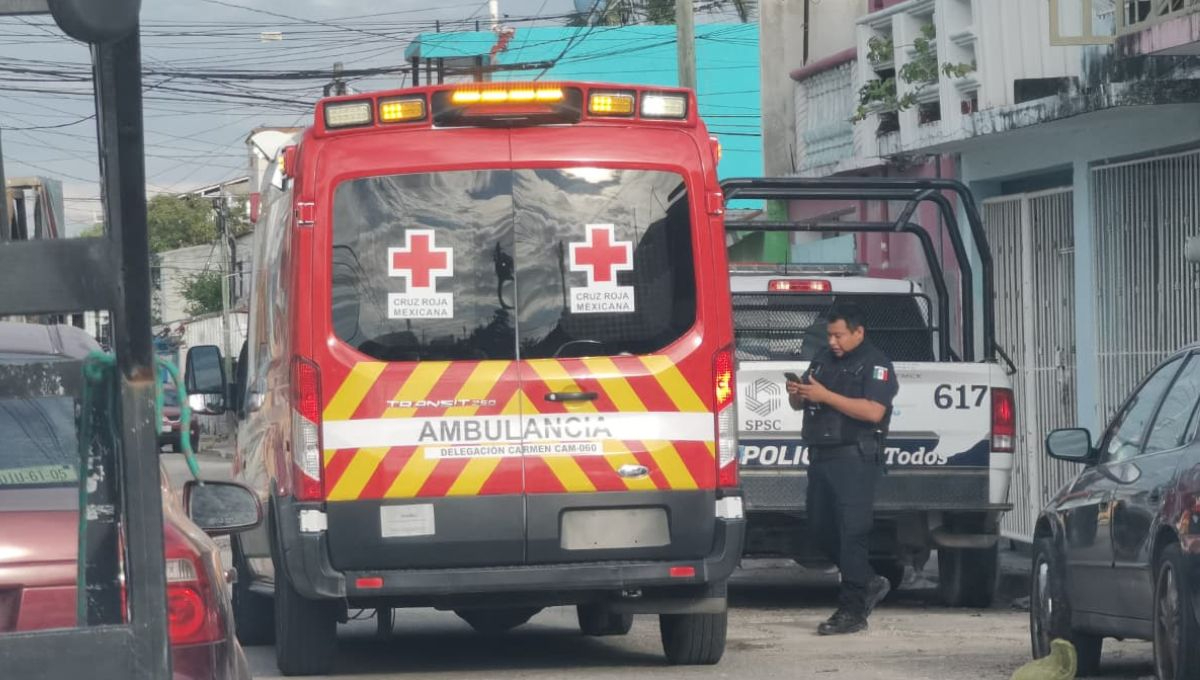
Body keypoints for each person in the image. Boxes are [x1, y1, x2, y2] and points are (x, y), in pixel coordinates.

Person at [786, 303, 899, 636]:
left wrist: (826, 395)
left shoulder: (876, 364)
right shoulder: (821, 358)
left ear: (858, 332)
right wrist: (799, 394)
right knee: (821, 530)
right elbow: (804, 401)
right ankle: (867, 580)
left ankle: (851, 610)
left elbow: (873, 412)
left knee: (853, 533)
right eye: (829, 334)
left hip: (855, 457)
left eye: (839, 335)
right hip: (821, 455)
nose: (833, 341)